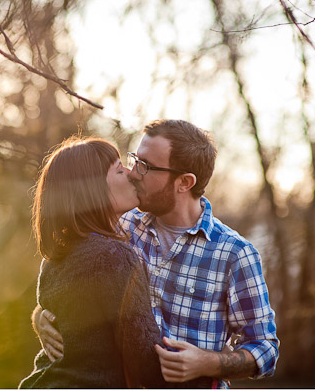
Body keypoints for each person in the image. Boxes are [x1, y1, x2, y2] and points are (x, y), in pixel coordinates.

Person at [32, 119, 279, 388]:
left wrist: (207, 362)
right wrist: (43, 315)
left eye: (146, 166)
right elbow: (69, 275)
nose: (134, 172)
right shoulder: (119, 227)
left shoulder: (234, 254)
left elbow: (265, 350)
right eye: (135, 159)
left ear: (184, 182)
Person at [19, 136, 173, 388]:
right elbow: (147, 368)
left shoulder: (55, 259)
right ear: (93, 190)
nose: (131, 173)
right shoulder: (115, 257)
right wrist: (208, 369)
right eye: (118, 169)